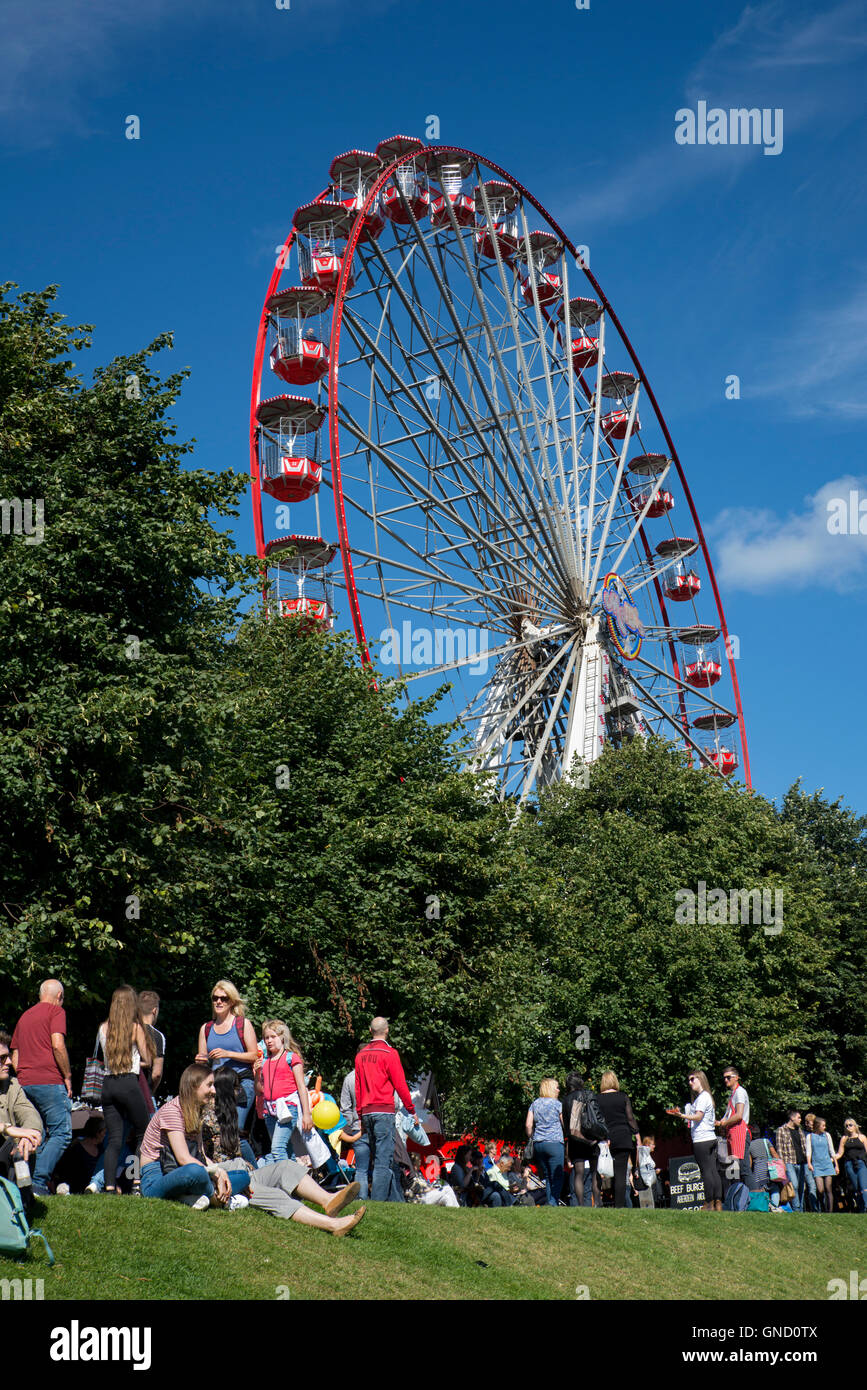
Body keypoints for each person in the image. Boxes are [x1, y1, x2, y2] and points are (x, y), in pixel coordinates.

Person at [204, 1063, 365, 1233]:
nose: (241, 1092)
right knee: (276, 1196)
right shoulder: (206, 1118)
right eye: (237, 1087)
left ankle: (328, 1200)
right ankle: (334, 1225)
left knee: (287, 1166)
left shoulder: (228, 1115)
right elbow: (204, 1162)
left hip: (244, 1172)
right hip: (227, 1179)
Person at [10, 979, 73, 1196]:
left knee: (38, 1134)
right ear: (59, 997)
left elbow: (15, 1054)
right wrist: (67, 1075)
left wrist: (23, 1074)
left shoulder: (25, 1016)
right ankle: (38, 1183)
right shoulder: (56, 1012)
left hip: (25, 1083)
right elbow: (57, 1044)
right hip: (50, 1081)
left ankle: (27, 1183)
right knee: (62, 1133)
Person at [354, 1017, 419, 1202]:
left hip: (367, 1111)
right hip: (384, 1110)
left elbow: (358, 1087)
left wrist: (360, 1115)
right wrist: (411, 1109)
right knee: (384, 1161)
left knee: (382, 1157)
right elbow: (400, 1085)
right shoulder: (390, 1053)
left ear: (370, 1030)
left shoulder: (360, 1056)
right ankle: (377, 1203)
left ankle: (395, 1201)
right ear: (387, 1030)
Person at [96, 984, 153, 1195]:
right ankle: (136, 1181)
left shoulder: (103, 1028)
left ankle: (109, 1186)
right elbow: (147, 1058)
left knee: (114, 1139)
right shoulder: (136, 1028)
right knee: (142, 1133)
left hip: (108, 1084)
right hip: (129, 1082)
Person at [195, 981, 260, 1133]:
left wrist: (228, 1053)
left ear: (231, 1001)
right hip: (216, 1085)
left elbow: (254, 1055)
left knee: (236, 1128)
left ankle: (249, 1158)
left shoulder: (243, 1024)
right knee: (215, 1130)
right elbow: (203, 1062)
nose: (219, 1001)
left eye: (223, 998)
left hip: (241, 1083)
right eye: (215, 998)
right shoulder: (206, 1028)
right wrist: (200, 1061)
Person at [259, 1020, 312, 1162]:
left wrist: (307, 1114)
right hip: (270, 1110)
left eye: (273, 1036)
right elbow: (259, 1090)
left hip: (288, 1107)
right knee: (287, 1150)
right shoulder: (264, 1061)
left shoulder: (291, 1058)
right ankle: (299, 1182)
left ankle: (287, 1183)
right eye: (266, 1037)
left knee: (277, 1149)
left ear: (282, 1037)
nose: (269, 1041)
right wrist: (256, 1071)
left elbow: (302, 1087)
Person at [0, 1031, 43, 1201]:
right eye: (2, 1058)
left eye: (8, 1056)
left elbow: (28, 1112)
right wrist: (10, 1129)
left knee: (22, 1147)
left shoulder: (11, 1085)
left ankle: (21, 1205)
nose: (9, 1062)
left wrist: (29, 1133)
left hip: (7, 1156)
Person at [671, 1069, 722, 1211]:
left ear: (701, 1079)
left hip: (702, 1139)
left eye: (693, 1079)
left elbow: (698, 1116)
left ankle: (708, 1203)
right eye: (689, 1080)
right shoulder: (707, 1097)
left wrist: (681, 1115)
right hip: (710, 1137)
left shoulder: (702, 1097)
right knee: (713, 1170)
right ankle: (718, 1202)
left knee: (706, 1171)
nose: (690, 1082)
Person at [596, 1070, 640, 1209]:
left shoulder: (597, 1099)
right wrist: (637, 1134)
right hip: (623, 1137)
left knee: (604, 1172)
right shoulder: (623, 1097)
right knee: (621, 1174)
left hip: (606, 1139)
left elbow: (597, 1120)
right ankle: (619, 1206)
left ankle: (599, 1203)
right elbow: (630, 1118)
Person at [561, 1069, 600, 1207]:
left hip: (575, 1139)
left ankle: (581, 1204)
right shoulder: (588, 1094)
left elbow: (565, 1123)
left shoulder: (565, 1100)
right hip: (590, 1137)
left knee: (578, 1173)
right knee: (594, 1171)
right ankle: (597, 1202)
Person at [526, 1078, 565, 1206]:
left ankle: (550, 1202)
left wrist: (531, 1136)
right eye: (557, 1087)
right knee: (557, 1175)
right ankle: (553, 1203)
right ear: (551, 1089)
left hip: (539, 1143)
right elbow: (564, 1123)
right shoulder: (557, 1104)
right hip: (554, 1142)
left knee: (548, 1176)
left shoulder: (535, 1104)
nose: (559, 1090)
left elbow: (528, 1125)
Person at [715, 1066, 751, 1192]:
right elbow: (728, 1116)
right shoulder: (733, 1094)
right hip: (733, 1133)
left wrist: (723, 1124)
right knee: (734, 1169)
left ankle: (752, 1198)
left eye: (728, 1077)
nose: (725, 1080)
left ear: (736, 1077)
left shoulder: (740, 1092)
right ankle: (738, 1199)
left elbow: (739, 1115)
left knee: (743, 1168)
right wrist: (719, 1122)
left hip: (740, 1131)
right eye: (724, 1077)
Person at [55, 1117, 107, 1195]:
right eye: (104, 1132)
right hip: (77, 1187)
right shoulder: (76, 1149)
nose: (105, 1135)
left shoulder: (101, 1148)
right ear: (97, 1133)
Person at [775, 1109, 808, 1213]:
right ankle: (796, 1209)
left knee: (801, 1188)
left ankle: (801, 1209)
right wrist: (782, 1164)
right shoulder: (781, 1130)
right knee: (794, 1185)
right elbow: (779, 1149)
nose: (800, 1120)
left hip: (801, 1163)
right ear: (792, 1118)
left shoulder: (800, 1131)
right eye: (798, 1117)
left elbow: (804, 1147)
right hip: (789, 1162)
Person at [137, 991, 165, 1108]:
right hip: (144, 1094)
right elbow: (157, 1074)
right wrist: (150, 1091)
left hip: (122, 1090)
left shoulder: (127, 1032)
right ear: (155, 1010)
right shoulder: (157, 1036)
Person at [834, 1119, 867, 1213]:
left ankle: (866, 1206)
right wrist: (832, 1159)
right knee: (856, 1188)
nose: (849, 1127)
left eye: (850, 1125)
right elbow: (839, 1154)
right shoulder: (844, 1139)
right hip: (849, 1164)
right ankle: (861, 1209)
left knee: (863, 1186)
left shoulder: (862, 1137)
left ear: (855, 1126)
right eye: (846, 1126)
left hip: (861, 1163)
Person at [807, 1117, 838, 1212]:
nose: (824, 1127)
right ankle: (822, 1207)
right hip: (817, 1165)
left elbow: (831, 1150)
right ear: (817, 1126)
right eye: (823, 1125)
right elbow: (809, 1151)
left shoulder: (827, 1135)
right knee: (820, 1190)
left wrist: (836, 1165)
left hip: (827, 1164)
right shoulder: (810, 1136)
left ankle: (830, 1211)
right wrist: (809, 1163)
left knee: (828, 1188)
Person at [802, 1112, 820, 1211]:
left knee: (819, 1187)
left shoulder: (818, 1134)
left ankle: (819, 1207)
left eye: (812, 1123)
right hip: (807, 1163)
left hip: (818, 1162)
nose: (810, 1125)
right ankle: (813, 1209)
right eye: (809, 1122)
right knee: (811, 1186)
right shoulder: (803, 1134)